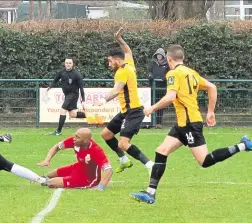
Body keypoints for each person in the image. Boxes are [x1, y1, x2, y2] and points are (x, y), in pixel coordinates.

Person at [131, 44, 252, 204]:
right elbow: (212, 87)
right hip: (183, 123)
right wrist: (211, 111)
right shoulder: (191, 73)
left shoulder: (173, 73)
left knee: (204, 161)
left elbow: (170, 97)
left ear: (169, 59)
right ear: (182, 58)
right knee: (161, 151)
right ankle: (150, 193)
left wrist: (152, 108)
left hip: (190, 124)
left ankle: (243, 145)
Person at [95, 27, 154, 175]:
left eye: (109, 61)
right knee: (106, 135)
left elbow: (116, 90)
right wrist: (119, 39)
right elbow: (128, 51)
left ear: (116, 59)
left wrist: (102, 100)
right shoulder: (128, 64)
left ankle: (150, 164)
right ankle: (124, 160)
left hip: (133, 112)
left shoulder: (122, 72)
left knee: (123, 143)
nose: (109, 64)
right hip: (124, 112)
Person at [37, 128, 113, 190]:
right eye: (75, 135)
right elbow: (57, 147)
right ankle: (51, 180)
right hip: (78, 167)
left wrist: (100, 187)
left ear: (86, 141)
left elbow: (109, 171)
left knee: (51, 183)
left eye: (77, 137)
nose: (74, 138)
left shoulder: (96, 150)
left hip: (88, 178)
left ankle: (63, 180)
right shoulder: (74, 141)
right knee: (50, 174)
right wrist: (47, 160)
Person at [47, 58, 86, 136]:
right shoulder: (62, 72)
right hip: (67, 95)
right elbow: (56, 80)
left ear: (72, 64)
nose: (68, 64)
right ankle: (91, 115)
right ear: (64, 63)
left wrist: (83, 100)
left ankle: (58, 131)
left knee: (62, 110)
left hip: (73, 95)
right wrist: (50, 87)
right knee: (72, 114)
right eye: (66, 63)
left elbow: (81, 88)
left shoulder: (76, 74)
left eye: (69, 63)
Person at [147, 48, 169, 129]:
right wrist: (150, 75)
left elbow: (170, 73)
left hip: (162, 88)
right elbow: (149, 71)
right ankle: (150, 123)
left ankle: (158, 124)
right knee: (152, 104)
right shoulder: (152, 63)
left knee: (160, 106)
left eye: (160, 55)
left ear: (163, 56)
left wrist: (165, 77)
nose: (159, 56)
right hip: (153, 88)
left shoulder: (167, 64)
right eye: (158, 55)